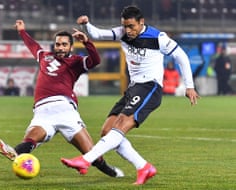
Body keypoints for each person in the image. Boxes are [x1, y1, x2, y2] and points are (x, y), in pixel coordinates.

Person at [61, 5, 200, 185]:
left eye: (131, 26)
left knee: (121, 124)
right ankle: (143, 166)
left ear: (141, 22)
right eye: (125, 26)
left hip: (150, 87)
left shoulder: (158, 37)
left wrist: (189, 86)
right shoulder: (123, 32)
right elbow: (98, 34)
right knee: (107, 130)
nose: (127, 31)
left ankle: (85, 160)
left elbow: (181, 56)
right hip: (134, 88)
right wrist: (86, 25)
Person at [0, 19, 123, 178]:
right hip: (42, 110)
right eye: (58, 44)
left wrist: (87, 42)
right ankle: (15, 152)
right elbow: (32, 45)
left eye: (64, 45)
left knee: (92, 154)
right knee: (31, 139)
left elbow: (96, 60)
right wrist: (22, 31)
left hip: (65, 109)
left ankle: (112, 172)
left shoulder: (76, 62)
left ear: (70, 47)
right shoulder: (44, 56)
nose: (60, 47)